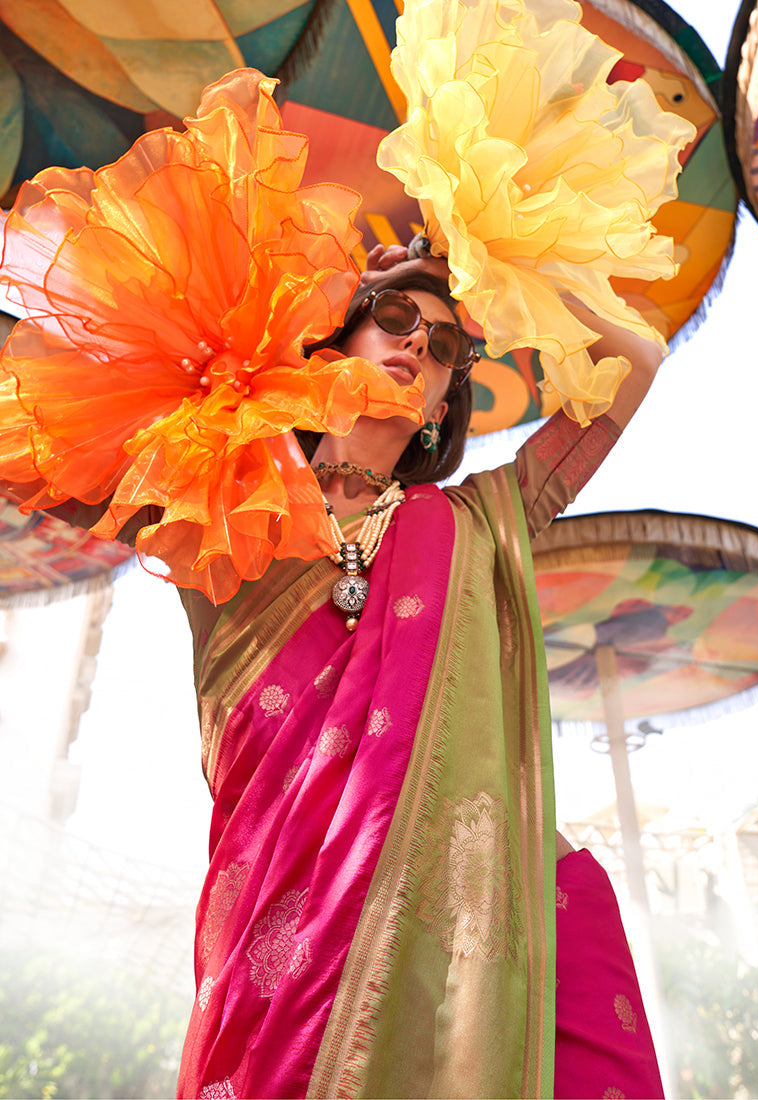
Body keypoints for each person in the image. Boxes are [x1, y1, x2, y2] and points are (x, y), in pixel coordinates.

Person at [0, 69, 673, 1100]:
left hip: (467, 938)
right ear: (338, 334)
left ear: (451, 396)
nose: (418, 341)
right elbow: (53, 442)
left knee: (571, 933)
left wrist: (504, 263)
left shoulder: (484, 519)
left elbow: (636, 351)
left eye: (444, 344)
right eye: (396, 317)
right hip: (282, 958)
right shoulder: (221, 485)